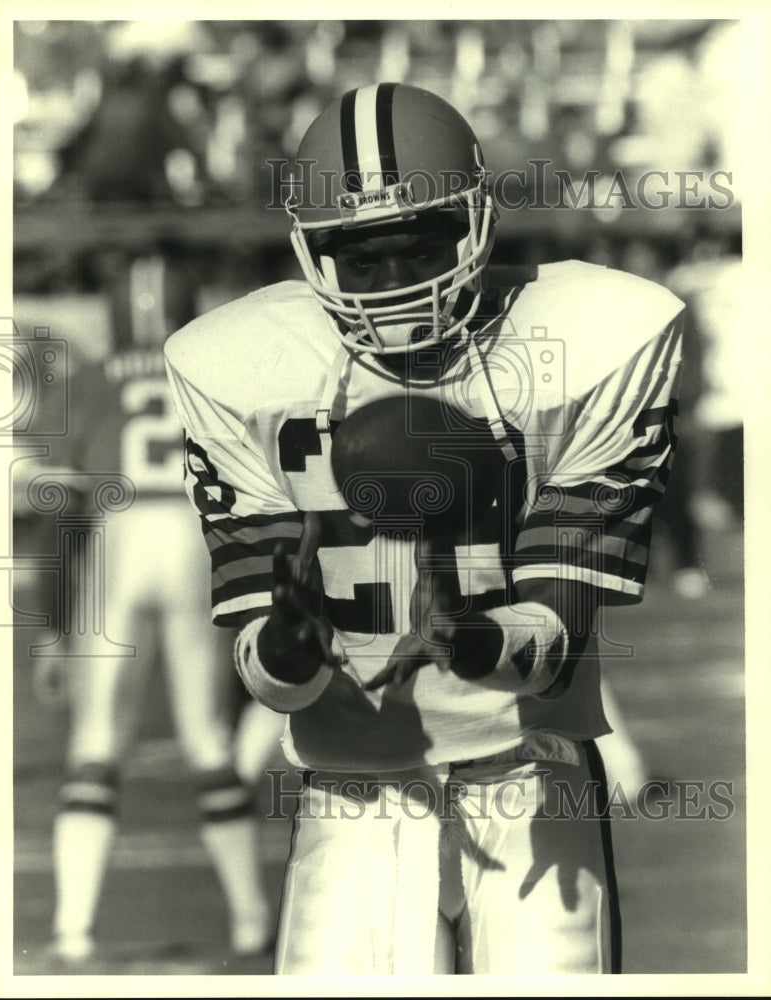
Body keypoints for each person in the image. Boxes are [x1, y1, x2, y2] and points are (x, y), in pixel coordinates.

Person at [164, 83, 685, 975]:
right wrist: (288, 644)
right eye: (359, 258)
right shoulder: (238, 370)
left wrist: (473, 631)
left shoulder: (601, 337)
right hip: (352, 783)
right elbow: (271, 678)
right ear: (310, 254)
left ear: (476, 222)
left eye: (418, 246)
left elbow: (552, 635)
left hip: (530, 769)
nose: (394, 280)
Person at [36, 252, 283, 964]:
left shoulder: (88, 380)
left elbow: (61, 510)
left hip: (117, 536)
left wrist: (54, 631)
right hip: (190, 537)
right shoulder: (215, 377)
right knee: (208, 740)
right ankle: (248, 922)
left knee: (94, 744)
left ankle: (73, 930)